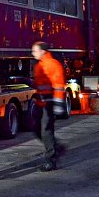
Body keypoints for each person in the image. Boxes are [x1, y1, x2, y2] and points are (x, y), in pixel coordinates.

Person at [31, 41, 67, 171]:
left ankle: (51, 160)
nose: (32, 53)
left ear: (43, 51)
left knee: (46, 131)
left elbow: (58, 86)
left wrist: (58, 106)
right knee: (36, 129)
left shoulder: (53, 65)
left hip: (50, 103)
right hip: (41, 102)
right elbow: (39, 85)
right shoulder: (39, 65)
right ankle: (57, 147)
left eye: (35, 51)